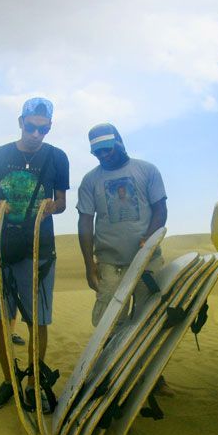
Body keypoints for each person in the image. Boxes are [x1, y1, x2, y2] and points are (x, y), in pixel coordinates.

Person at [0, 97, 69, 412]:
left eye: (42, 129)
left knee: (38, 319)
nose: (35, 134)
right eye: (31, 127)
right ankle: (9, 380)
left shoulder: (57, 158)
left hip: (40, 248)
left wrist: (50, 208)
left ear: (49, 128)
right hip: (0, 246)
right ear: (21, 122)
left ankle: (33, 384)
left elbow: (61, 203)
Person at [77, 123, 168, 327]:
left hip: (147, 260)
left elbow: (160, 209)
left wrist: (149, 239)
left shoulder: (147, 170)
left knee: (149, 319)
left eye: (107, 149)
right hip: (110, 264)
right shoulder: (90, 180)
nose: (103, 156)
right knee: (108, 324)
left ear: (119, 142)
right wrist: (89, 265)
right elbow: (84, 222)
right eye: (97, 152)